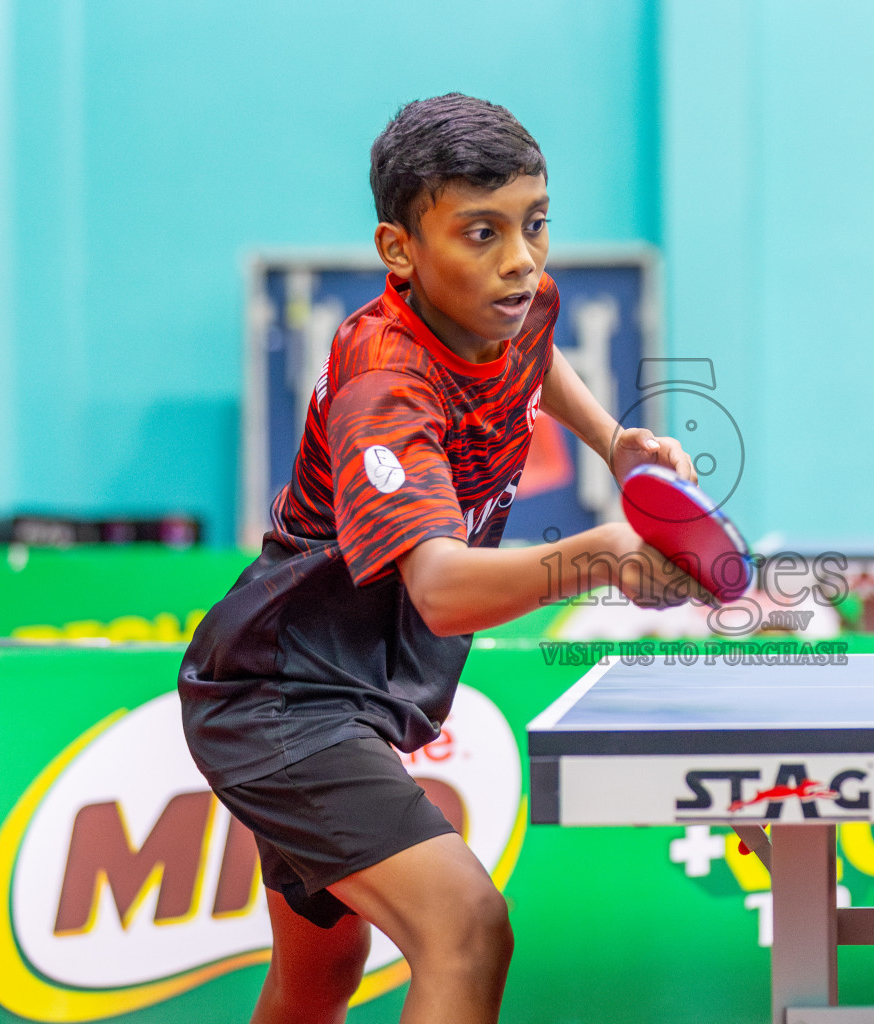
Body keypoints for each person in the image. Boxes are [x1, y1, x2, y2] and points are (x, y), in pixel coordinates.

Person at [178, 93, 701, 1024]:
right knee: (464, 928)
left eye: (535, 224)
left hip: (352, 691)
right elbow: (443, 591)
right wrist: (603, 559)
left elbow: (535, 351)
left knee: (318, 976)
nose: (522, 259)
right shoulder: (386, 384)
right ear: (400, 252)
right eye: (481, 233)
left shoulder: (516, 299)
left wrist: (614, 441)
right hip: (281, 697)